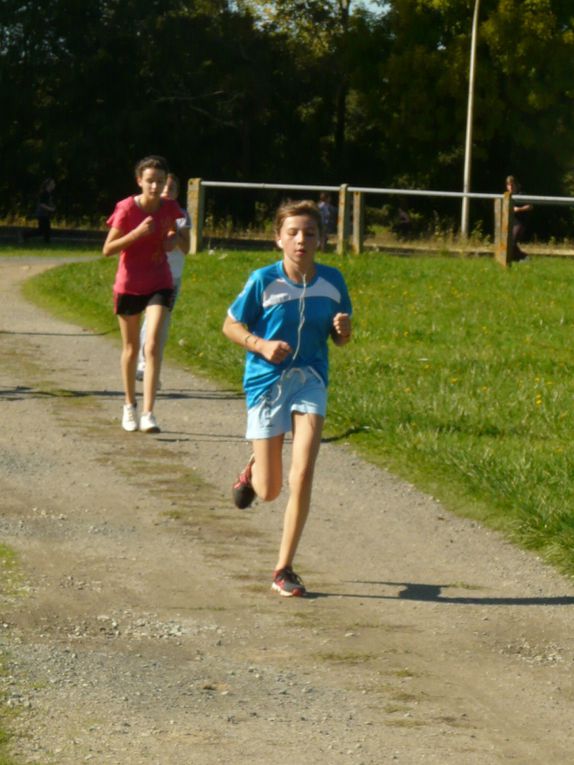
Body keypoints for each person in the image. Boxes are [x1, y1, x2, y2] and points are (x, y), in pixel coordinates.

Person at [222, 199, 353, 597]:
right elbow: (230, 325)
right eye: (293, 233)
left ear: (321, 240)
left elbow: (341, 339)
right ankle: (253, 470)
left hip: (311, 378)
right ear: (278, 239)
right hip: (267, 382)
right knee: (270, 490)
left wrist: (343, 329)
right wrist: (259, 345)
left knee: (304, 473)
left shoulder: (333, 282)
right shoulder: (263, 280)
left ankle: (284, 568)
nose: (301, 240)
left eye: (309, 233)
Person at [103, 155, 181, 434]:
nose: (155, 187)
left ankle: (149, 412)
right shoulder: (126, 208)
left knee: (152, 345)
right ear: (139, 181)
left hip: (160, 281)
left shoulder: (170, 207)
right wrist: (135, 233)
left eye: (160, 182)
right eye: (150, 181)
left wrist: (173, 237)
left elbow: (177, 236)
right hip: (129, 284)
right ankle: (128, 406)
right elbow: (108, 249)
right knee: (131, 348)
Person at [136, 173, 190, 384]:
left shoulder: (182, 216)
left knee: (161, 322)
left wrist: (175, 232)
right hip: (147, 271)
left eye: (172, 188)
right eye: (163, 186)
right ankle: (144, 364)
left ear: (177, 193)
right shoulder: (147, 211)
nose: (166, 191)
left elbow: (186, 248)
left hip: (172, 277)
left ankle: (149, 366)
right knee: (149, 320)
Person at [505, 175, 533, 262]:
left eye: (512, 185)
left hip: (520, 223)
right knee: (508, 242)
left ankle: (524, 257)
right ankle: (520, 258)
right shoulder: (507, 196)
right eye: (509, 185)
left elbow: (530, 206)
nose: (511, 187)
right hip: (511, 222)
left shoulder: (522, 194)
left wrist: (519, 209)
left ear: (516, 185)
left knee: (512, 241)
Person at [22, 178, 56, 244]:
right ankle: (24, 235)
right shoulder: (45, 193)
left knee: (46, 230)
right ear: (48, 185)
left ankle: (47, 243)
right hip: (42, 214)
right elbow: (42, 204)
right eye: (53, 183)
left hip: (44, 214)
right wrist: (51, 209)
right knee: (42, 230)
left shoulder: (48, 194)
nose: (54, 185)